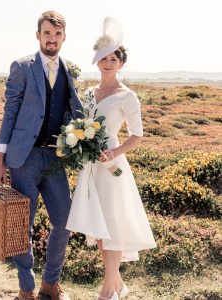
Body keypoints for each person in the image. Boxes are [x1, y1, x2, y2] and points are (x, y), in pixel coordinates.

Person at [0, 11, 83, 300]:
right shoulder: (22, 66)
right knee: (23, 226)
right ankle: (26, 287)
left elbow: (73, 109)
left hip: (55, 158)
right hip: (25, 158)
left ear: (64, 37)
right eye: (47, 33)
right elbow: (10, 113)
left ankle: (50, 283)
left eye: (57, 34)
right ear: (38, 35)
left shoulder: (68, 68)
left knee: (65, 220)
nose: (52, 39)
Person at [66, 17, 157, 300]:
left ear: (121, 63)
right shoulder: (90, 93)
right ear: (97, 61)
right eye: (104, 58)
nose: (108, 63)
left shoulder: (127, 97)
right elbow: (82, 122)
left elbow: (137, 135)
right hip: (91, 167)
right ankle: (117, 284)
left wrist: (114, 152)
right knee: (100, 226)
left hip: (111, 166)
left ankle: (108, 292)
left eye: (113, 58)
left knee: (113, 226)